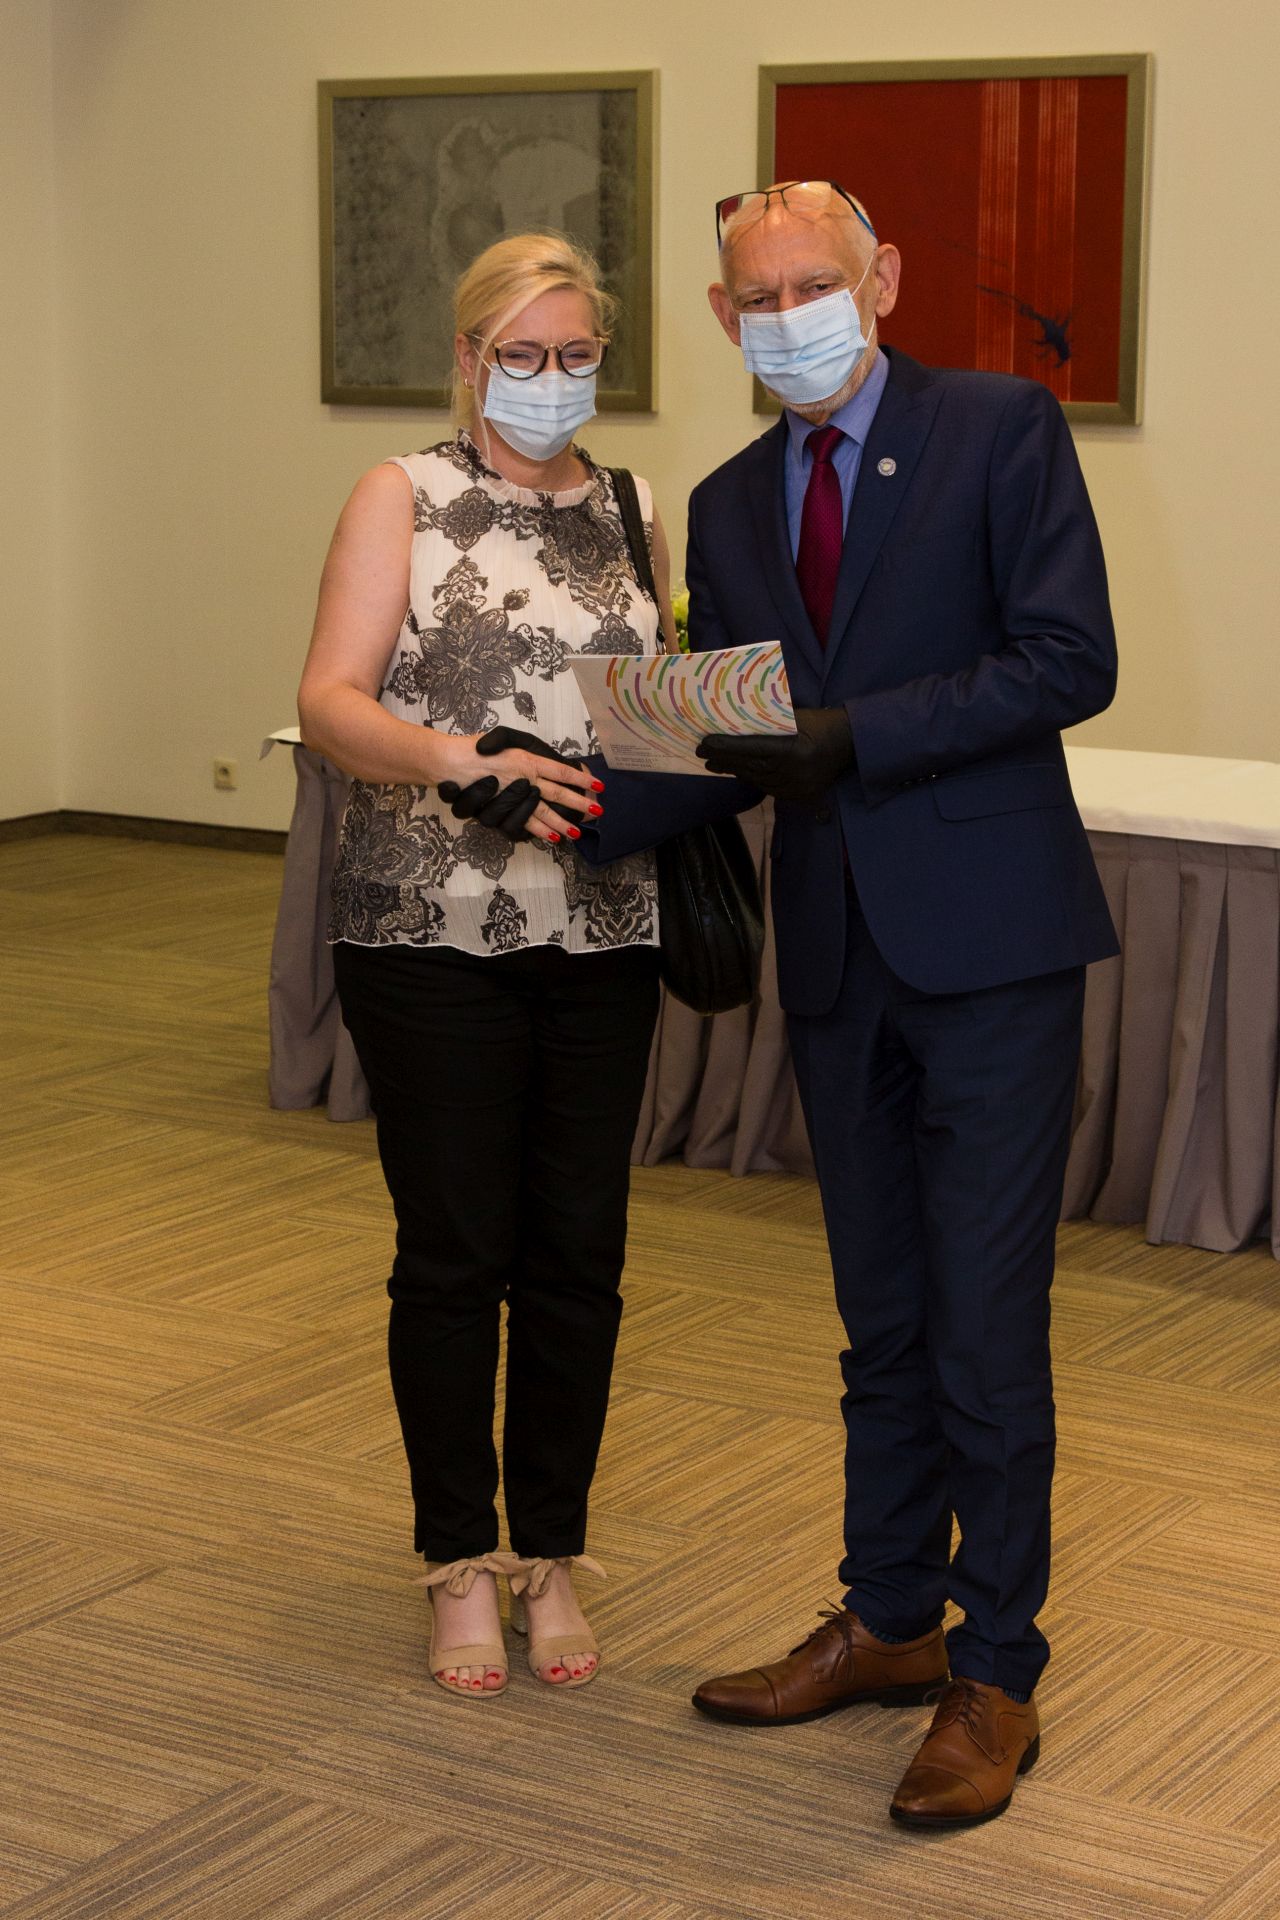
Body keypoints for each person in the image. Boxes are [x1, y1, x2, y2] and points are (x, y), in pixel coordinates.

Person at [675, 180, 1120, 1827]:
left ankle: (995, 1670)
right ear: (724, 317)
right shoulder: (727, 502)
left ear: (886, 280)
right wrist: (567, 791)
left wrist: (856, 735)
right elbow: (728, 736)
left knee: (987, 1332)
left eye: (820, 281)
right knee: (882, 1324)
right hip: (836, 954)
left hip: (992, 947)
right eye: (761, 294)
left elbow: (1068, 659)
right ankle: (888, 1619)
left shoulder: (999, 429)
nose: (791, 312)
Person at [296, 231, 681, 1701]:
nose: (550, 378)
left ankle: (553, 1551)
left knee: (579, 1256)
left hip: (605, 926)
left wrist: (711, 735)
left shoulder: (636, 507)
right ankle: (459, 1558)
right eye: (521, 354)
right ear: (468, 360)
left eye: (576, 354)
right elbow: (330, 702)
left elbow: (650, 707)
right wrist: (465, 761)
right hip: (428, 926)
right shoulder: (400, 493)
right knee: (457, 1253)